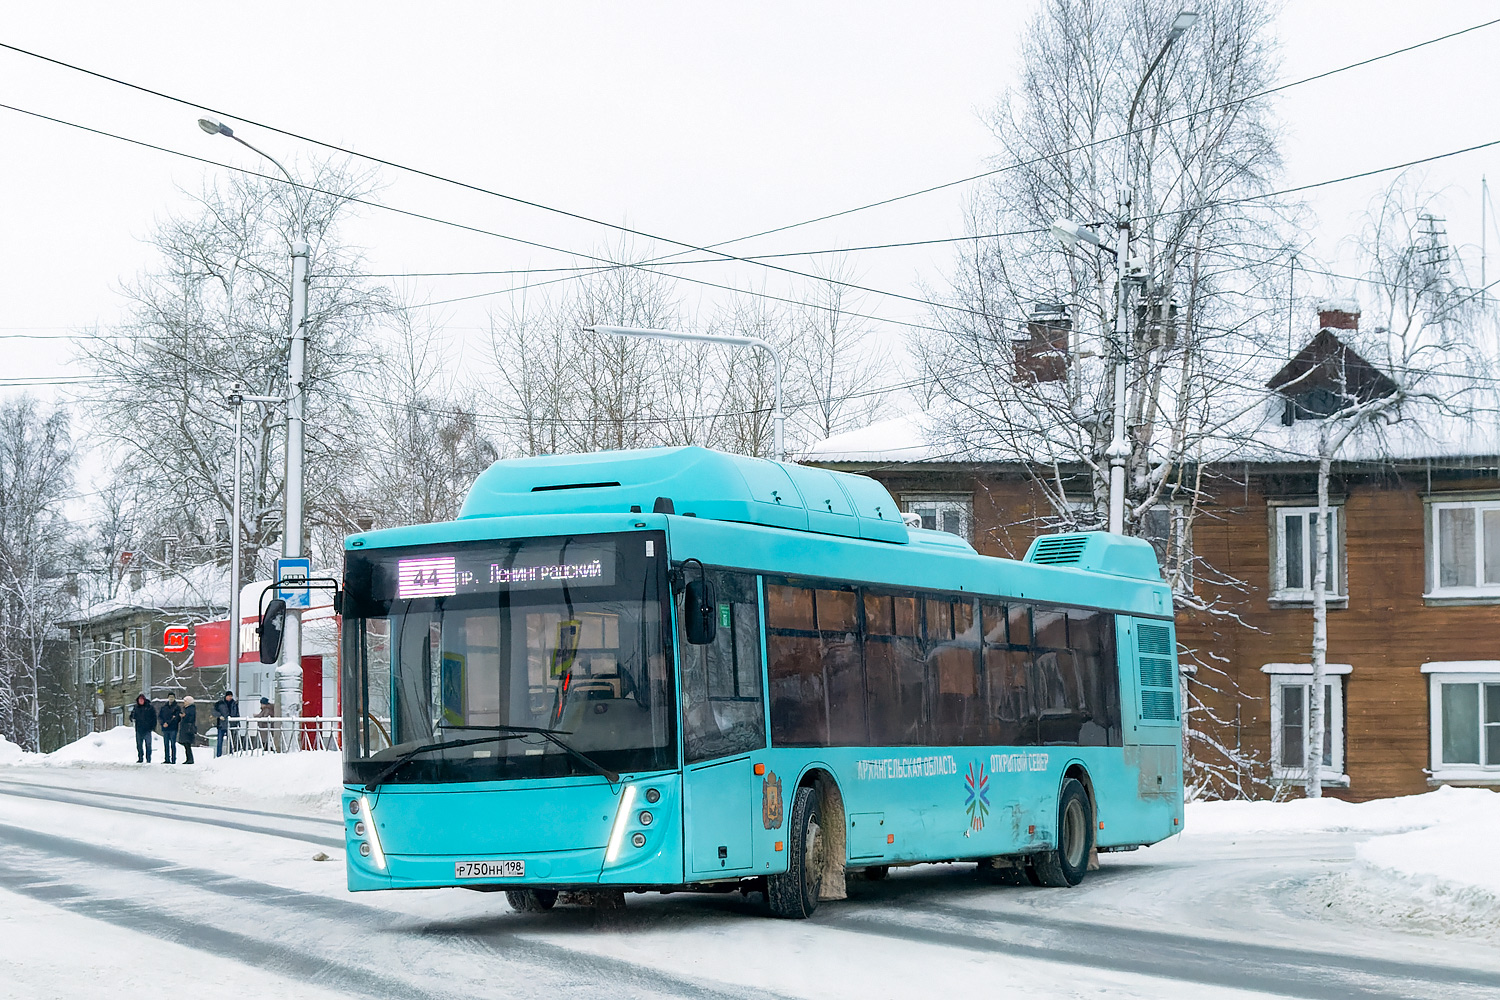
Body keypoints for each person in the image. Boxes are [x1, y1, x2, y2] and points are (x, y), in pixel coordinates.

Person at [129, 694, 157, 763]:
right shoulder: (136, 708)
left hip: (147, 729)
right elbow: (132, 716)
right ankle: (140, 758)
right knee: (139, 745)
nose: (141, 701)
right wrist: (131, 717)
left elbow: (154, 718)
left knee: (148, 745)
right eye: (139, 700)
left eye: (142, 700)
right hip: (139, 729)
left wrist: (152, 727)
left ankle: (148, 759)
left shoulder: (149, 707)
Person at [213, 690, 239, 757]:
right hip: (221, 724)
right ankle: (219, 754)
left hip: (231, 724)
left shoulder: (234, 704)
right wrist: (219, 716)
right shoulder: (220, 703)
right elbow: (214, 711)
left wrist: (237, 722)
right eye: (229, 696)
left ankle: (230, 753)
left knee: (231, 741)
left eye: (231, 696)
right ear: (226, 696)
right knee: (220, 741)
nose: (230, 697)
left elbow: (237, 713)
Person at [158, 693, 182, 764]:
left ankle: (173, 759)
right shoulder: (164, 707)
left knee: (173, 744)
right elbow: (160, 717)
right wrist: (163, 723)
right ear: (168, 698)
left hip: (173, 728)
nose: (171, 698)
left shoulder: (177, 707)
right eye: (170, 697)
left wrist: (168, 723)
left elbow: (177, 718)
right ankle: (167, 759)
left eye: (172, 697)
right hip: (165, 728)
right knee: (166, 744)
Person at [178, 696, 197, 764]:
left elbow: (190, 718)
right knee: (186, 745)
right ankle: (188, 758)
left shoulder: (190, 709)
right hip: (186, 728)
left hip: (188, 728)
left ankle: (190, 759)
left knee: (187, 744)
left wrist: (184, 716)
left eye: (185, 701)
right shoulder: (187, 709)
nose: (184, 703)